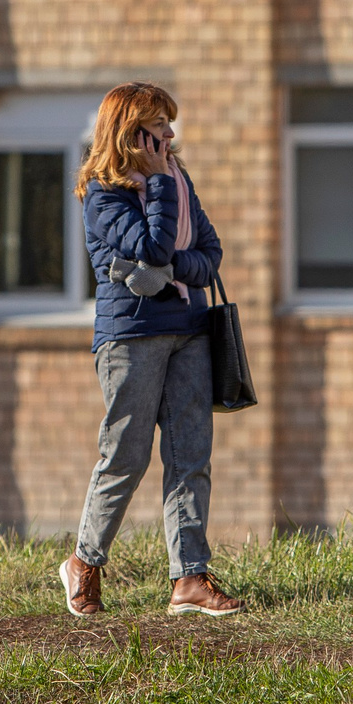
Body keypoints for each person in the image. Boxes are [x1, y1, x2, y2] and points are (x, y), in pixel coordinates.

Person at [60, 82, 245, 618]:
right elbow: (152, 246)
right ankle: (84, 562)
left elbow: (209, 254)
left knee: (190, 454)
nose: (169, 132)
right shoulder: (104, 192)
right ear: (130, 131)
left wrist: (170, 268)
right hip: (131, 337)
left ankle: (189, 578)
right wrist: (160, 184)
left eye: (168, 121)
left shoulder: (177, 180)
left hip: (190, 329)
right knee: (126, 455)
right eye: (158, 123)